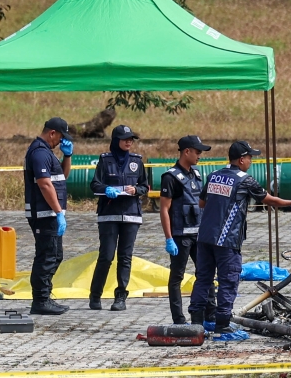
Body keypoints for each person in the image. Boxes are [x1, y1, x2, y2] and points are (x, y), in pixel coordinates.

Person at [189, 141, 291, 334]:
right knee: (229, 280)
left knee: (203, 279)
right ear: (241, 159)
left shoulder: (214, 175)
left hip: (205, 237)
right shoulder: (245, 180)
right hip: (226, 240)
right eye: (250, 157)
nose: (251, 161)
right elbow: (270, 200)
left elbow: (202, 203)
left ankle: (195, 324)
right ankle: (223, 326)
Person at [87, 125, 150, 312]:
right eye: (125, 139)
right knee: (106, 256)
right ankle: (95, 294)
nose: (129, 142)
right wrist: (106, 190)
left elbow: (145, 186)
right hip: (108, 215)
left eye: (131, 138)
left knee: (125, 257)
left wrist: (136, 190)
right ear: (116, 140)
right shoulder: (105, 160)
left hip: (131, 215)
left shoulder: (137, 161)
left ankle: (120, 296)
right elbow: (94, 185)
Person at [160, 135, 213, 325]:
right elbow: (164, 209)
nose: (200, 155)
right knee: (177, 277)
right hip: (180, 236)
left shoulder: (197, 174)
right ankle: (179, 319)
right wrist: (168, 238)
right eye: (197, 152)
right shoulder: (170, 177)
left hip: (199, 235)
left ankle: (210, 315)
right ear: (186, 152)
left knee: (205, 273)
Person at [23, 118, 73, 316]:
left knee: (55, 255)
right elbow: (44, 184)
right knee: (47, 256)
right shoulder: (39, 153)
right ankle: (41, 300)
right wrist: (59, 212)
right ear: (52, 133)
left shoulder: (48, 153)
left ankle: (44, 296)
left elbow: (63, 176)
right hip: (44, 214)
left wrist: (67, 156)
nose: (60, 142)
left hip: (50, 214)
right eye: (60, 138)